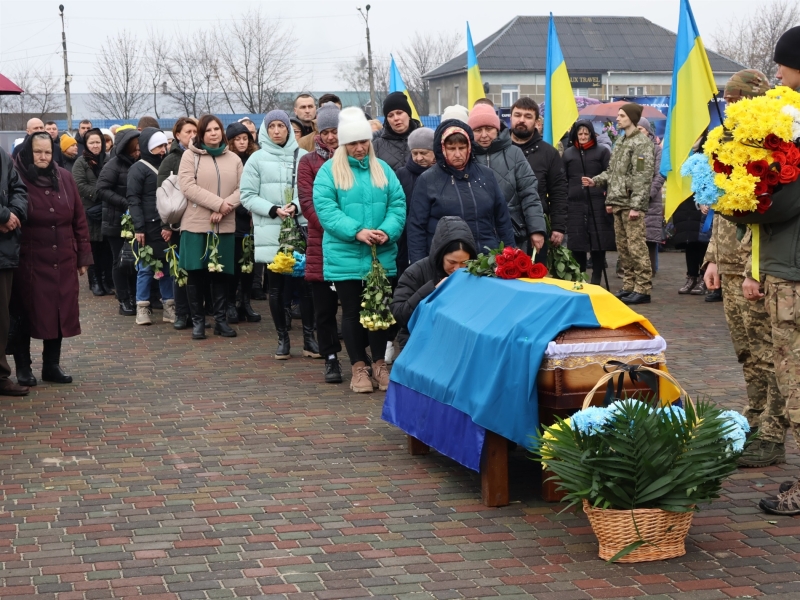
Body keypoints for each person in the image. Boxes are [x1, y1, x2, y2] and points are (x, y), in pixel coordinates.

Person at [704, 69, 785, 469]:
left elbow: (762, 215)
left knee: (771, 354)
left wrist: (756, 270)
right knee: (747, 352)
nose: (731, 107)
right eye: (728, 101)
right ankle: (754, 418)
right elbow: (722, 210)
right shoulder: (728, 142)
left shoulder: (767, 146)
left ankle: (773, 433)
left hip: (756, 268)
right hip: (731, 265)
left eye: (737, 101)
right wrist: (713, 258)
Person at [312, 106, 406, 393]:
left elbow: (397, 205)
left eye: (363, 141)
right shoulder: (330, 172)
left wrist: (386, 231)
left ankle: (379, 364)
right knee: (352, 312)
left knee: (378, 311)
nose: (359, 147)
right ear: (343, 144)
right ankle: (358, 367)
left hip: (380, 256)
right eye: (352, 142)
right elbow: (326, 210)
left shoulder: (383, 169)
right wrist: (357, 231)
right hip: (346, 257)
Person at [752, 25, 800, 515]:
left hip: (795, 272)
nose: (779, 76)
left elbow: (785, 204)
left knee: (796, 384)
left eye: (783, 67)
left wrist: (740, 201)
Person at [11, 132, 92, 385]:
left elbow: (79, 219)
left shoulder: (65, 178)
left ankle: (51, 365)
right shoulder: (17, 177)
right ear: (28, 152)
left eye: (47, 152)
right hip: (29, 261)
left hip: (63, 259)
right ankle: (23, 367)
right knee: (24, 314)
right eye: (38, 152)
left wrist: (83, 257)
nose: (43, 157)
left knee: (59, 313)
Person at [241, 110, 319, 359]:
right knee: (275, 288)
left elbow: (311, 189)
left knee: (305, 286)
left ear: (288, 129)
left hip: (298, 228)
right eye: (272, 126)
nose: (277, 130)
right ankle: (282, 338)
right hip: (271, 230)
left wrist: (296, 205)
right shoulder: (256, 159)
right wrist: (273, 209)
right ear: (265, 129)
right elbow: (247, 195)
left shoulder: (304, 157)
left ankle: (309, 338)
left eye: (281, 126)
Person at [407, 120, 515, 263]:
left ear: (469, 147)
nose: (457, 154)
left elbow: (503, 221)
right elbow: (416, 227)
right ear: (442, 148)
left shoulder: (486, 175)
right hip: (446, 264)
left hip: (487, 260)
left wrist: (511, 256)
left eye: (462, 147)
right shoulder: (428, 180)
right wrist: (420, 267)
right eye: (451, 148)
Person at [178, 115, 242, 340]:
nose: (214, 133)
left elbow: (243, 189)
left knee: (221, 274)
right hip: (196, 224)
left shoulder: (234, 158)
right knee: (196, 273)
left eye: (217, 129)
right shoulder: (189, 156)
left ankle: (221, 320)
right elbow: (187, 186)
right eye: (209, 130)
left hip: (224, 225)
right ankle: (198, 321)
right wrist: (218, 203)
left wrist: (224, 208)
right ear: (201, 134)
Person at [583, 103, 654, 305]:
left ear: (631, 118)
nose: (618, 118)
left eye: (622, 115)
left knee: (636, 246)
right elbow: (613, 172)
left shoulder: (641, 143)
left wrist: (636, 206)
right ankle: (629, 285)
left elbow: (642, 175)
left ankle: (643, 288)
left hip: (630, 203)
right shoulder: (621, 140)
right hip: (618, 202)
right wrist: (595, 180)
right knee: (624, 248)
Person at [297, 102, 343, 383]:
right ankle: (330, 358)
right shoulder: (308, 162)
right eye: (325, 131)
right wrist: (337, 227)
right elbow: (308, 203)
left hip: (352, 242)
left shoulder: (353, 158)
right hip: (322, 242)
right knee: (324, 307)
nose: (331, 137)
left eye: (335, 131)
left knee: (353, 305)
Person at [469, 103, 546, 256]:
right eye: (478, 130)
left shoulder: (515, 153)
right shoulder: (466, 156)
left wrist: (536, 229)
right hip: (475, 237)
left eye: (489, 129)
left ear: (497, 129)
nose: (484, 135)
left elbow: (529, 193)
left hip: (514, 234)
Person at [391, 216, 476, 350]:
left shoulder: (476, 274)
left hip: (459, 341)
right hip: (419, 340)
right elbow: (400, 315)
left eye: (464, 263)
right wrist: (431, 290)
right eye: (452, 262)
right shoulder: (416, 272)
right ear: (440, 255)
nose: (457, 269)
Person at [509, 97, 568, 263]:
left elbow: (559, 191)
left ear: (536, 121)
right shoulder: (497, 149)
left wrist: (558, 226)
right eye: (517, 115)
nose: (521, 120)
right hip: (502, 227)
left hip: (536, 229)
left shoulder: (549, 153)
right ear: (511, 117)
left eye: (528, 116)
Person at [127, 128, 174, 325]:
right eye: (158, 146)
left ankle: (169, 305)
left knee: (166, 266)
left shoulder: (168, 165)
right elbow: (133, 199)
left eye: (164, 145)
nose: (163, 149)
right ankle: (142, 306)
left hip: (165, 224)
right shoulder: (138, 169)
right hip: (147, 226)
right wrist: (139, 227)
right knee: (146, 267)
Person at [157, 117, 198, 331]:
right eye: (188, 131)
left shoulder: (203, 155)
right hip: (177, 223)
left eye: (195, 131)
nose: (192, 135)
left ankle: (197, 312)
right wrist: (165, 224)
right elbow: (163, 194)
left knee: (198, 269)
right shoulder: (171, 159)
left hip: (199, 220)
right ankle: (182, 313)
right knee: (180, 269)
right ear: (178, 135)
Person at [96, 128, 141, 317]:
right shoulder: (113, 165)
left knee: (135, 260)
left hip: (136, 219)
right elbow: (101, 189)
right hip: (115, 220)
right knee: (119, 261)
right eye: (136, 149)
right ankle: (123, 299)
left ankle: (136, 296)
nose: (139, 152)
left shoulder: (140, 164)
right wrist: (125, 203)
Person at [563, 120, 613, 284]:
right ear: (575, 135)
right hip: (575, 203)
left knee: (598, 242)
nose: (583, 137)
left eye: (586, 133)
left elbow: (610, 176)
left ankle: (596, 278)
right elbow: (563, 179)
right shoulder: (569, 153)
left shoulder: (602, 152)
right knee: (578, 243)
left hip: (597, 202)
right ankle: (580, 276)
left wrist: (608, 198)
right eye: (580, 134)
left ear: (591, 134)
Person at [225, 121, 261, 324]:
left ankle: (245, 302)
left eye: (245, 138)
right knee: (234, 263)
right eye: (237, 139)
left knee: (250, 264)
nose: (241, 142)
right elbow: (229, 190)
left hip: (254, 218)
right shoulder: (228, 160)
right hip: (235, 217)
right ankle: (230, 303)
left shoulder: (255, 159)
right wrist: (243, 208)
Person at [0, 147, 29, 396]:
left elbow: (18, 188)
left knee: (2, 317)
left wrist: (14, 213)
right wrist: (1, 214)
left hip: (3, 250)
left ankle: (0, 376)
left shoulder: (2, 155)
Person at [72, 128, 112, 297]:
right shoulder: (81, 162)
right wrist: (100, 193)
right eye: (92, 143)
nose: (95, 146)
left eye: (98, 142)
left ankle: (105, 281)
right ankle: (94, 282)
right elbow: (78, 184)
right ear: (86, 145)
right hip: (89, 210)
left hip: (107, 208)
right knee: (93, 247)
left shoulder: (108, 160)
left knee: (105, 248)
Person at [672, 133, 712, 296]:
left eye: (697, 137)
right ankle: (691, 276)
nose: (693, 141)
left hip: (702, 203)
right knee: (688, 241)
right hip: (685, 203)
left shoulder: (708, 155)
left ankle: (704, 277)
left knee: (702, 242)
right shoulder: (681, 155)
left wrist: (705, 199)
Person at [395, 127, 436, 277]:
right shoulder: (402, 174)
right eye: (415, 153)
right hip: (407, 240)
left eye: (424, 153)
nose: (418, 158)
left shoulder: (441, 174)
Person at [637, 117, 665, 278]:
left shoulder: (656, 150)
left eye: (640, 129)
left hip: (650, 202)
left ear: (648, 131)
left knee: (649, 239)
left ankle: (649, 273)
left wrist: (648, 194)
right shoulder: (631, 147)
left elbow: (660, 174)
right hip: (632, 201)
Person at [372, 91, 420, 172]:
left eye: (399, 113)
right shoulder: (376, 145)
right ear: (387, 120)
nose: (396, 118)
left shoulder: (424, 140)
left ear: (408, 115)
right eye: (390, 115)